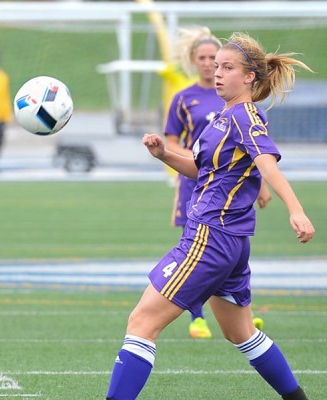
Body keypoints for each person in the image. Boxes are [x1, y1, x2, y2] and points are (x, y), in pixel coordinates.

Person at [105, 31, 315, 400]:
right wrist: (165, 155)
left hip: (209, 238)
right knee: (241, 333)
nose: (217, 73)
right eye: (216, 66)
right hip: (231, 241)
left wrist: (296, 210)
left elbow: (267, 164)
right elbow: (203, 170)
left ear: (250, 76)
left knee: (141, 323)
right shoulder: (222, 117)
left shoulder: (246, 117)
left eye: (227, 67)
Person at [164, 26, 270, 339]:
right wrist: (197, 161)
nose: (210, 64)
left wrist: (262, 186)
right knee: (193, 253)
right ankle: (197, 317)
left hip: (227, 190)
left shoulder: (235, 102)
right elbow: (174, 140)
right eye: (204, 58)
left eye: (216, 58)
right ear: (194, 61)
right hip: (195, 184)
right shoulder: (184, 99)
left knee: (225, 255)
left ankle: (240, 318)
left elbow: (252, 152)